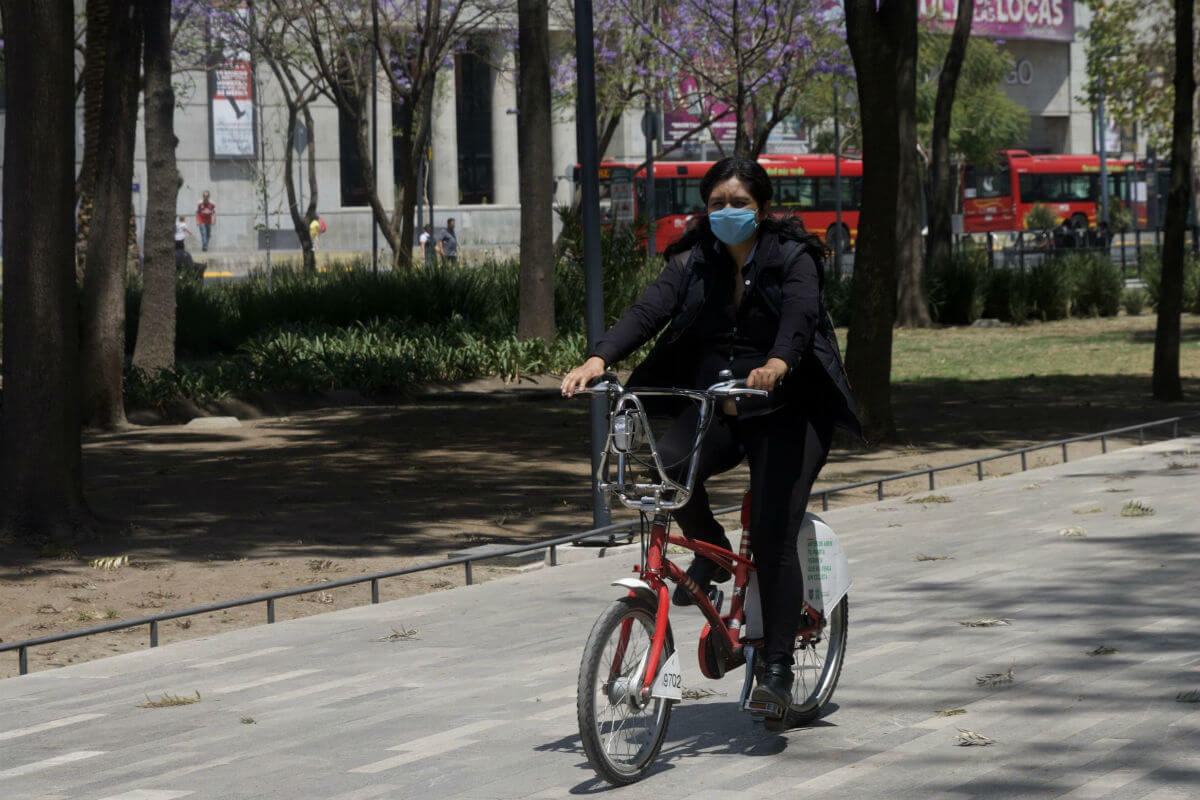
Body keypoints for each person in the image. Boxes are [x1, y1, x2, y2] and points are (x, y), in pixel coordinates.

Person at [560, 157, 861, 716]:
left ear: (762, 208)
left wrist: (777, 361)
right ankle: (717, 552)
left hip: (790, 412)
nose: (727, 212)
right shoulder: (694, 261)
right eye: (717, 203)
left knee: (773, 537)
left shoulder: (794, 259)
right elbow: (649, 310)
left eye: (739, 203)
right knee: (662, 468)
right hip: (719, 410)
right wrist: (600, 358)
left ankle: (775, 670)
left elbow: (799, 318)